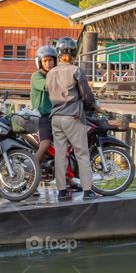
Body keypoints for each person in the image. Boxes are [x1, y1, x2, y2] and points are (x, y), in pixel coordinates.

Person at [46, 37, 100, 200]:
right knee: (81, 153)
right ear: (74, 53)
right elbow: (87, 96)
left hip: (56, 117)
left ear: (59, 54)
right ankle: (87, 191)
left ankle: (62, 191)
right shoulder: (77, 71)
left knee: (60, 155)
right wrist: (93, 105)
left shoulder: (50, 73)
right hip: (73, 117)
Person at [30, 45, 57, 164]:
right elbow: (46, 86)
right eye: (45, 61)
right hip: (42, 116)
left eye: (50, 60)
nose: (48, 63)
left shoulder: (55, 75)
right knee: (45, 144)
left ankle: (69, 180)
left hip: (55, 116)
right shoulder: (37, 76)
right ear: (40, 62)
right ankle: (32, 172)